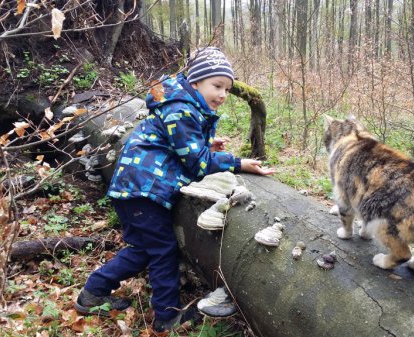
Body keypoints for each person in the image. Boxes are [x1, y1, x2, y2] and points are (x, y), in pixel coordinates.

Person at [74, 47, 274, 333]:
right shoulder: (180, 109)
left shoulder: (181, 104)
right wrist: (237, 162)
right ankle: (167, 316)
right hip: (143, 189)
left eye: (227, 89)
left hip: (135, 187)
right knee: (163, 251)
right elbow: (197, 164)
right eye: (216, 86)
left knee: (143, 249)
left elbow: (177, 146)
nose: (222, 95)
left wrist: (206, 146)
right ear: (195, 82)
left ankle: (92, 293)